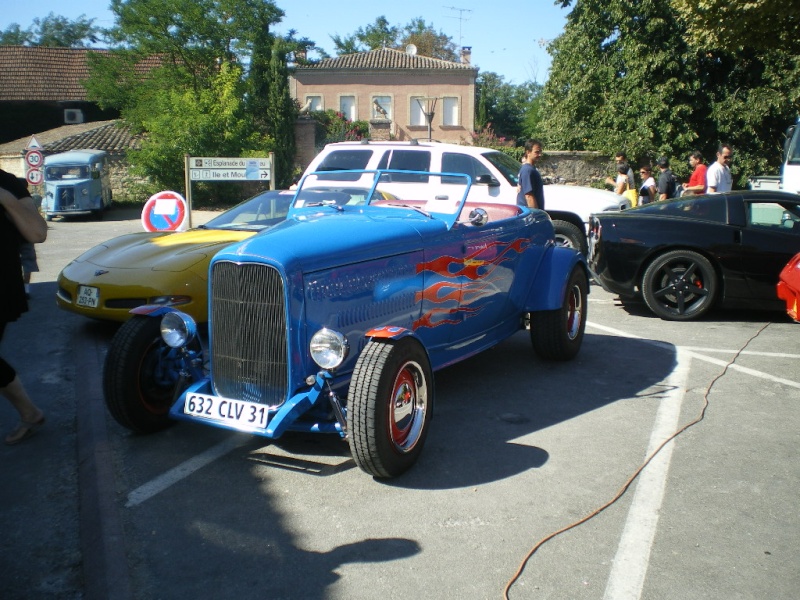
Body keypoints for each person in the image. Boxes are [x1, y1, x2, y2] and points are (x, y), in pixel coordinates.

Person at [0, 168, 48, 445]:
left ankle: (30, 413)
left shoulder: (7, 184)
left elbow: (37, 233)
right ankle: (30, 413)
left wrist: (6, 199)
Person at [517, 139, 545, 210]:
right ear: (528, 152)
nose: (540, 154)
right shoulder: (527, 170)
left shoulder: (530, 169)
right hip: (529, 214)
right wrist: (536, 215)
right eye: (537, 152)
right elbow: (529, 196)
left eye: (540, 152)